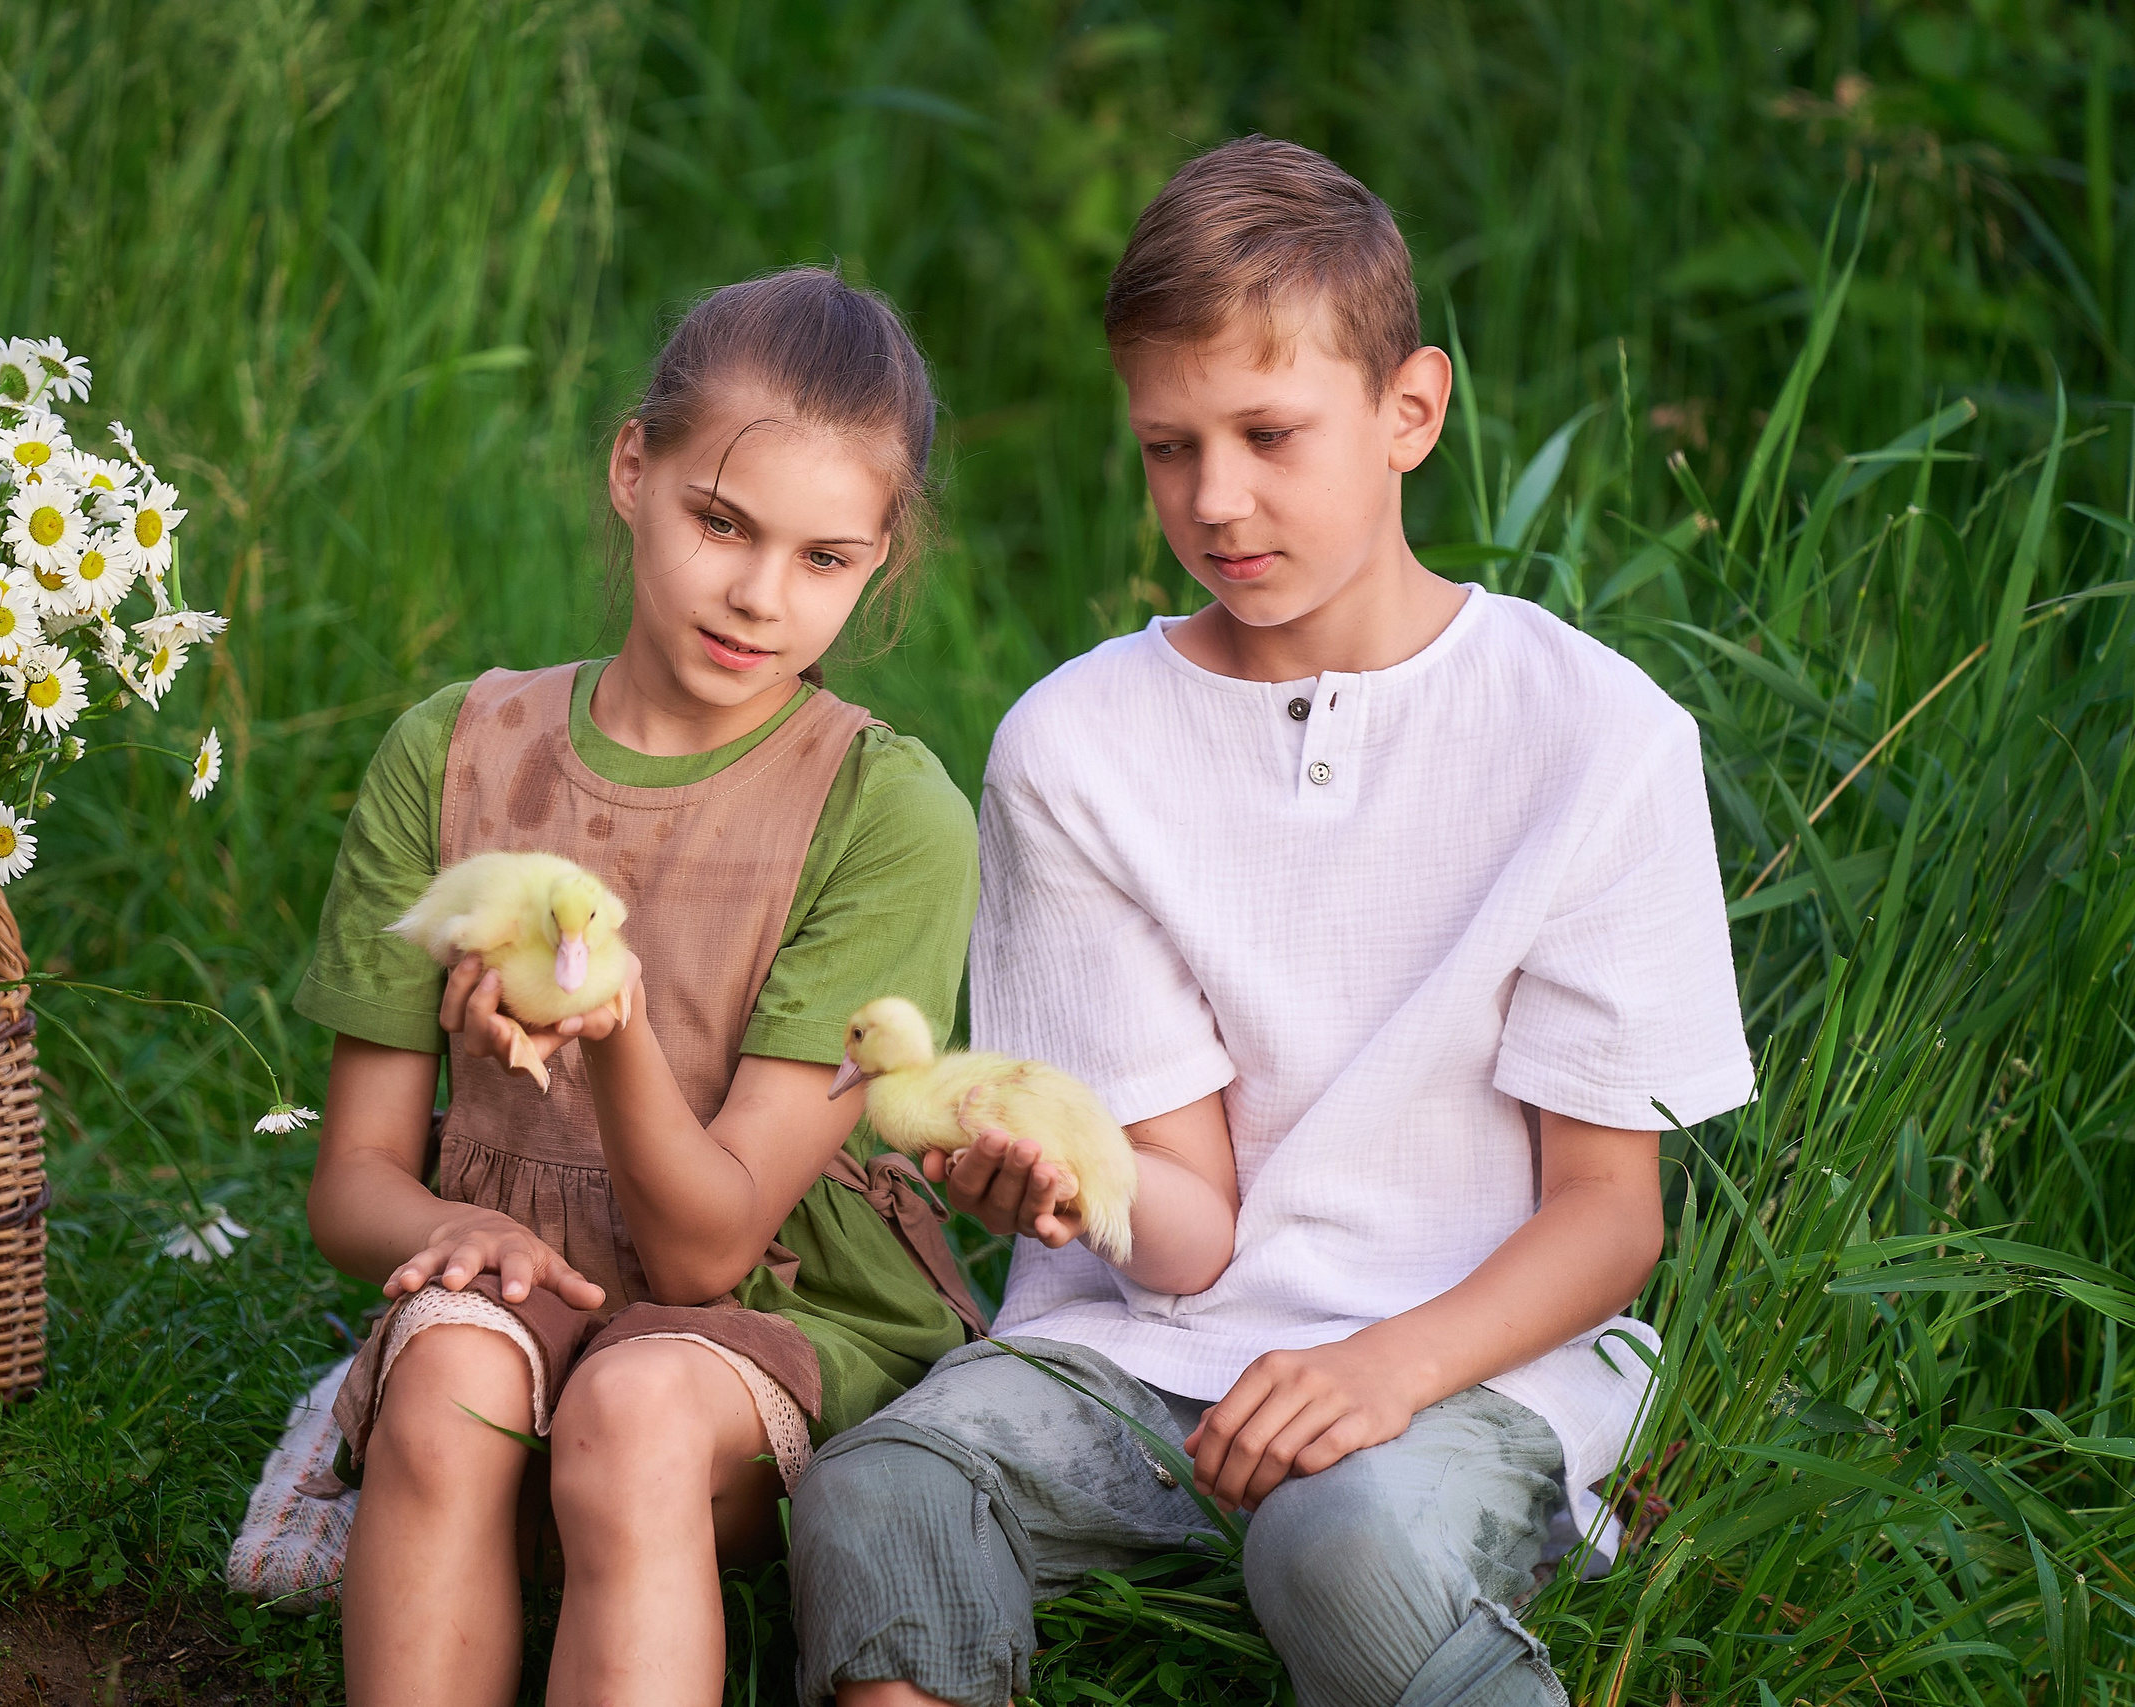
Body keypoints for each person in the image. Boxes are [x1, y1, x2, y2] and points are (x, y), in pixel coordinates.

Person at [789, 136, 1754, 1707]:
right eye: (1171, 447)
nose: (1216, 501)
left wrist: (1384, 1370)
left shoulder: (1596, 736)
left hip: (1468, 1365)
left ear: (1410, 412)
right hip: (1143, 1361)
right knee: (879, 1489)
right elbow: (1187, 1226)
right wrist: (1054, 1193)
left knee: (1335, 1541)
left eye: (1268, 434)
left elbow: (1608, 1214)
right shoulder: (1076, 747)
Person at [288, 268, 982, 1707]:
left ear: (880, 559)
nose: (757, 596)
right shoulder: (458, 752)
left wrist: (607, 1033)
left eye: (824, 560)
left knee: (631, 1407)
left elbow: (712, 1247)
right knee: (444, 1377)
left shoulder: (883, 809)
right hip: (532, 1275)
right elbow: (352, 1184)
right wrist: (458, 1238)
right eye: (718, 523)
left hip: (771, 1325)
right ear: (632, 468)